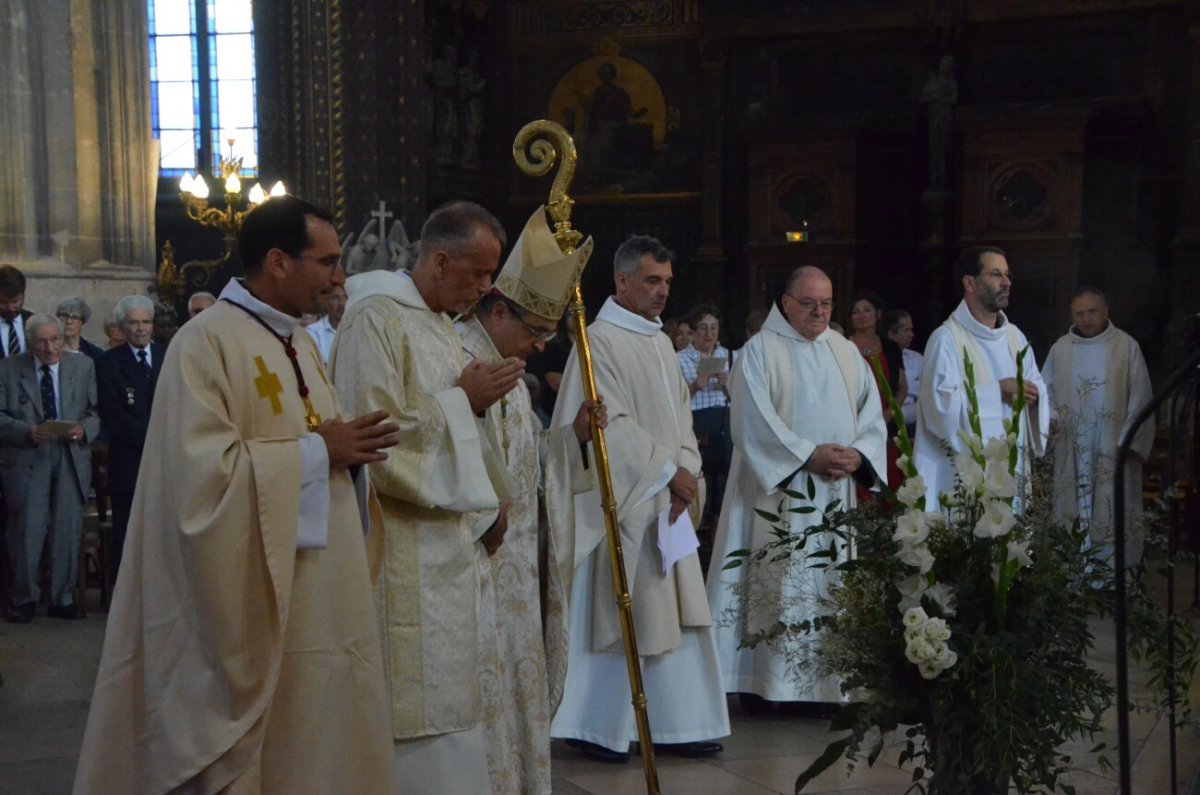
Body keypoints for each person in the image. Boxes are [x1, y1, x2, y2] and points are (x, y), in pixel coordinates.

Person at [74, 195, 398, 792]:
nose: (338, 276)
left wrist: (349, 459)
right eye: (325, 261)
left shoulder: (298, 343)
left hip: (316, 591)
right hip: (247, 599)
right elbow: (198, 487)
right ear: (277, 261)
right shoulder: (206, 344)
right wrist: (319, 452)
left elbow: (322, 447)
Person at [331, 200, 524, 795]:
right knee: (411, 707)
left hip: (450, 547)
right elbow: (374, 438)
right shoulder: (375, 320)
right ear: (440, 261)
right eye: (479, 273)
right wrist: (462, 401)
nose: (487, 288)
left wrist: (492, 502)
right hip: (402, 549)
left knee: (452, 702)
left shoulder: (441, 325)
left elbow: (472, 429)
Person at [550, 234, 730, 763]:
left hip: (668, 496)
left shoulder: (656, 341)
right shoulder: (598, 340)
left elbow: (681, 418)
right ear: (621, 281)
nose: (662, 293)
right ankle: (597, 723)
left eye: (668, 283)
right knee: (624, 608)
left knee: (676, 611)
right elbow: (609, 423)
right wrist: (669, 473)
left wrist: (688, 471)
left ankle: (678, 721)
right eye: (652, 281)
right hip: (628, 499)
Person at [456, 205, 604, 794]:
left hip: (518, 569)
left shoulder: (507, 368)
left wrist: (570, 441)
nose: (541, 346)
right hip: (480, 566)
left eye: (547, 334)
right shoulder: (462, 361)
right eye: (534, 331)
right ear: (497, 310)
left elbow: (526, 460)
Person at [707, 266, 887, 704]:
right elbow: (751, 422)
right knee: (776, 578)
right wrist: (808, 455)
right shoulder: (760, 351)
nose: (819, 312)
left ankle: (827, 684)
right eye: (809, 304)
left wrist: (857, 454)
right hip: (775, 493)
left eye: (826, 304)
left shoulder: (844, 352)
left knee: (826, 582)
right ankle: (763, 683)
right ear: (785, 303)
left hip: (833, 490)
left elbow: (872, 417)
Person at [914, 246, 1049, 509]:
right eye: (996, 274)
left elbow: (1037, 386)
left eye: (1008, 274)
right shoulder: (946, 340)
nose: (1007, 282)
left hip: (1011, 471)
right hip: (961, 478)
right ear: (970, 283)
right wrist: (996, 391)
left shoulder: (1015, 337)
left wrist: (1035, 396)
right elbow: (938, 411)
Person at [0, 314, 100, 623]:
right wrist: (25, 432)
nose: (50, 348)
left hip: (70, 456)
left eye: (55, 340)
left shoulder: (82, 366)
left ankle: (62, 598)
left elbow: (95, 412)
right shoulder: (8, 368)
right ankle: (25, 599)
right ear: (30, 343)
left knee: (67, 528)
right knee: (27, 530)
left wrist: (84, 430)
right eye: (42, 342)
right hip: (30, 455)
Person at [1042, 287, 1153, 564]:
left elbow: (1141, 399)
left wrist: (1126, 441)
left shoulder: (1126, 347)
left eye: (1092, 311)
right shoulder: (1061, 349)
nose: (1086, 318)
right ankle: (1075, 576)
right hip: (1072, 446)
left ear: (1106, 312)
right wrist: (1052, 420)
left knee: (1111, 508)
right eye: (1079, 313)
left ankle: (1113, 576)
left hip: (1111, 447)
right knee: (1073, 511)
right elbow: (1045, 393)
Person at [94, 295, 160, 581]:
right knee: (128, 533)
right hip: (129, 462)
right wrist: (153, 439)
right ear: (122, 327)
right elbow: (112, 414)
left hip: (167, 463)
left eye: (146, 322)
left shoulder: (168, 356)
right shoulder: (107, 363)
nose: (141, 328)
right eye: (133, 322)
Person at [677, 303, 733, 530]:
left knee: (723, 493)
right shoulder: (679, 359)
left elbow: (741, 399)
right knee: (699, 490)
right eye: (702, 328)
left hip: (724, 428)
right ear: (693, 331)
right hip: (695, 428)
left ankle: (717, 552)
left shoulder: (729, 355)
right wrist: (693, 387)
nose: (709, 334)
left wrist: (727, 386)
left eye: (714, 327)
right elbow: (671, 402)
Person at [848, 290, 907, 488]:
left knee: (888, 484)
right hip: (852, 426)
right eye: (856, 311)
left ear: (878, 315)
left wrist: (888, 414)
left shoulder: (890, 347)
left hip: (885, 424)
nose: (861, 315)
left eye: (867, 310)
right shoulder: (843, 346)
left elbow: (902, 388)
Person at [883, 309, 923, 435]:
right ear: (891, 334)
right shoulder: (880, 357)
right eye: (906, 330)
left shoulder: (917, 359)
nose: (912, 334)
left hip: (911, 422)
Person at [306, 283, 347, 365]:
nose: (342, 303)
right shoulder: (313, 332)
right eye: (335, 298)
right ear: (326, 302)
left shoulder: (357, 329)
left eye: (345, 297)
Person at [0, 264, 31, 358]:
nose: (10, 308)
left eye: (15, 301)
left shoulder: (33, 321)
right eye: (3, 302)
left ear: (23, 296)